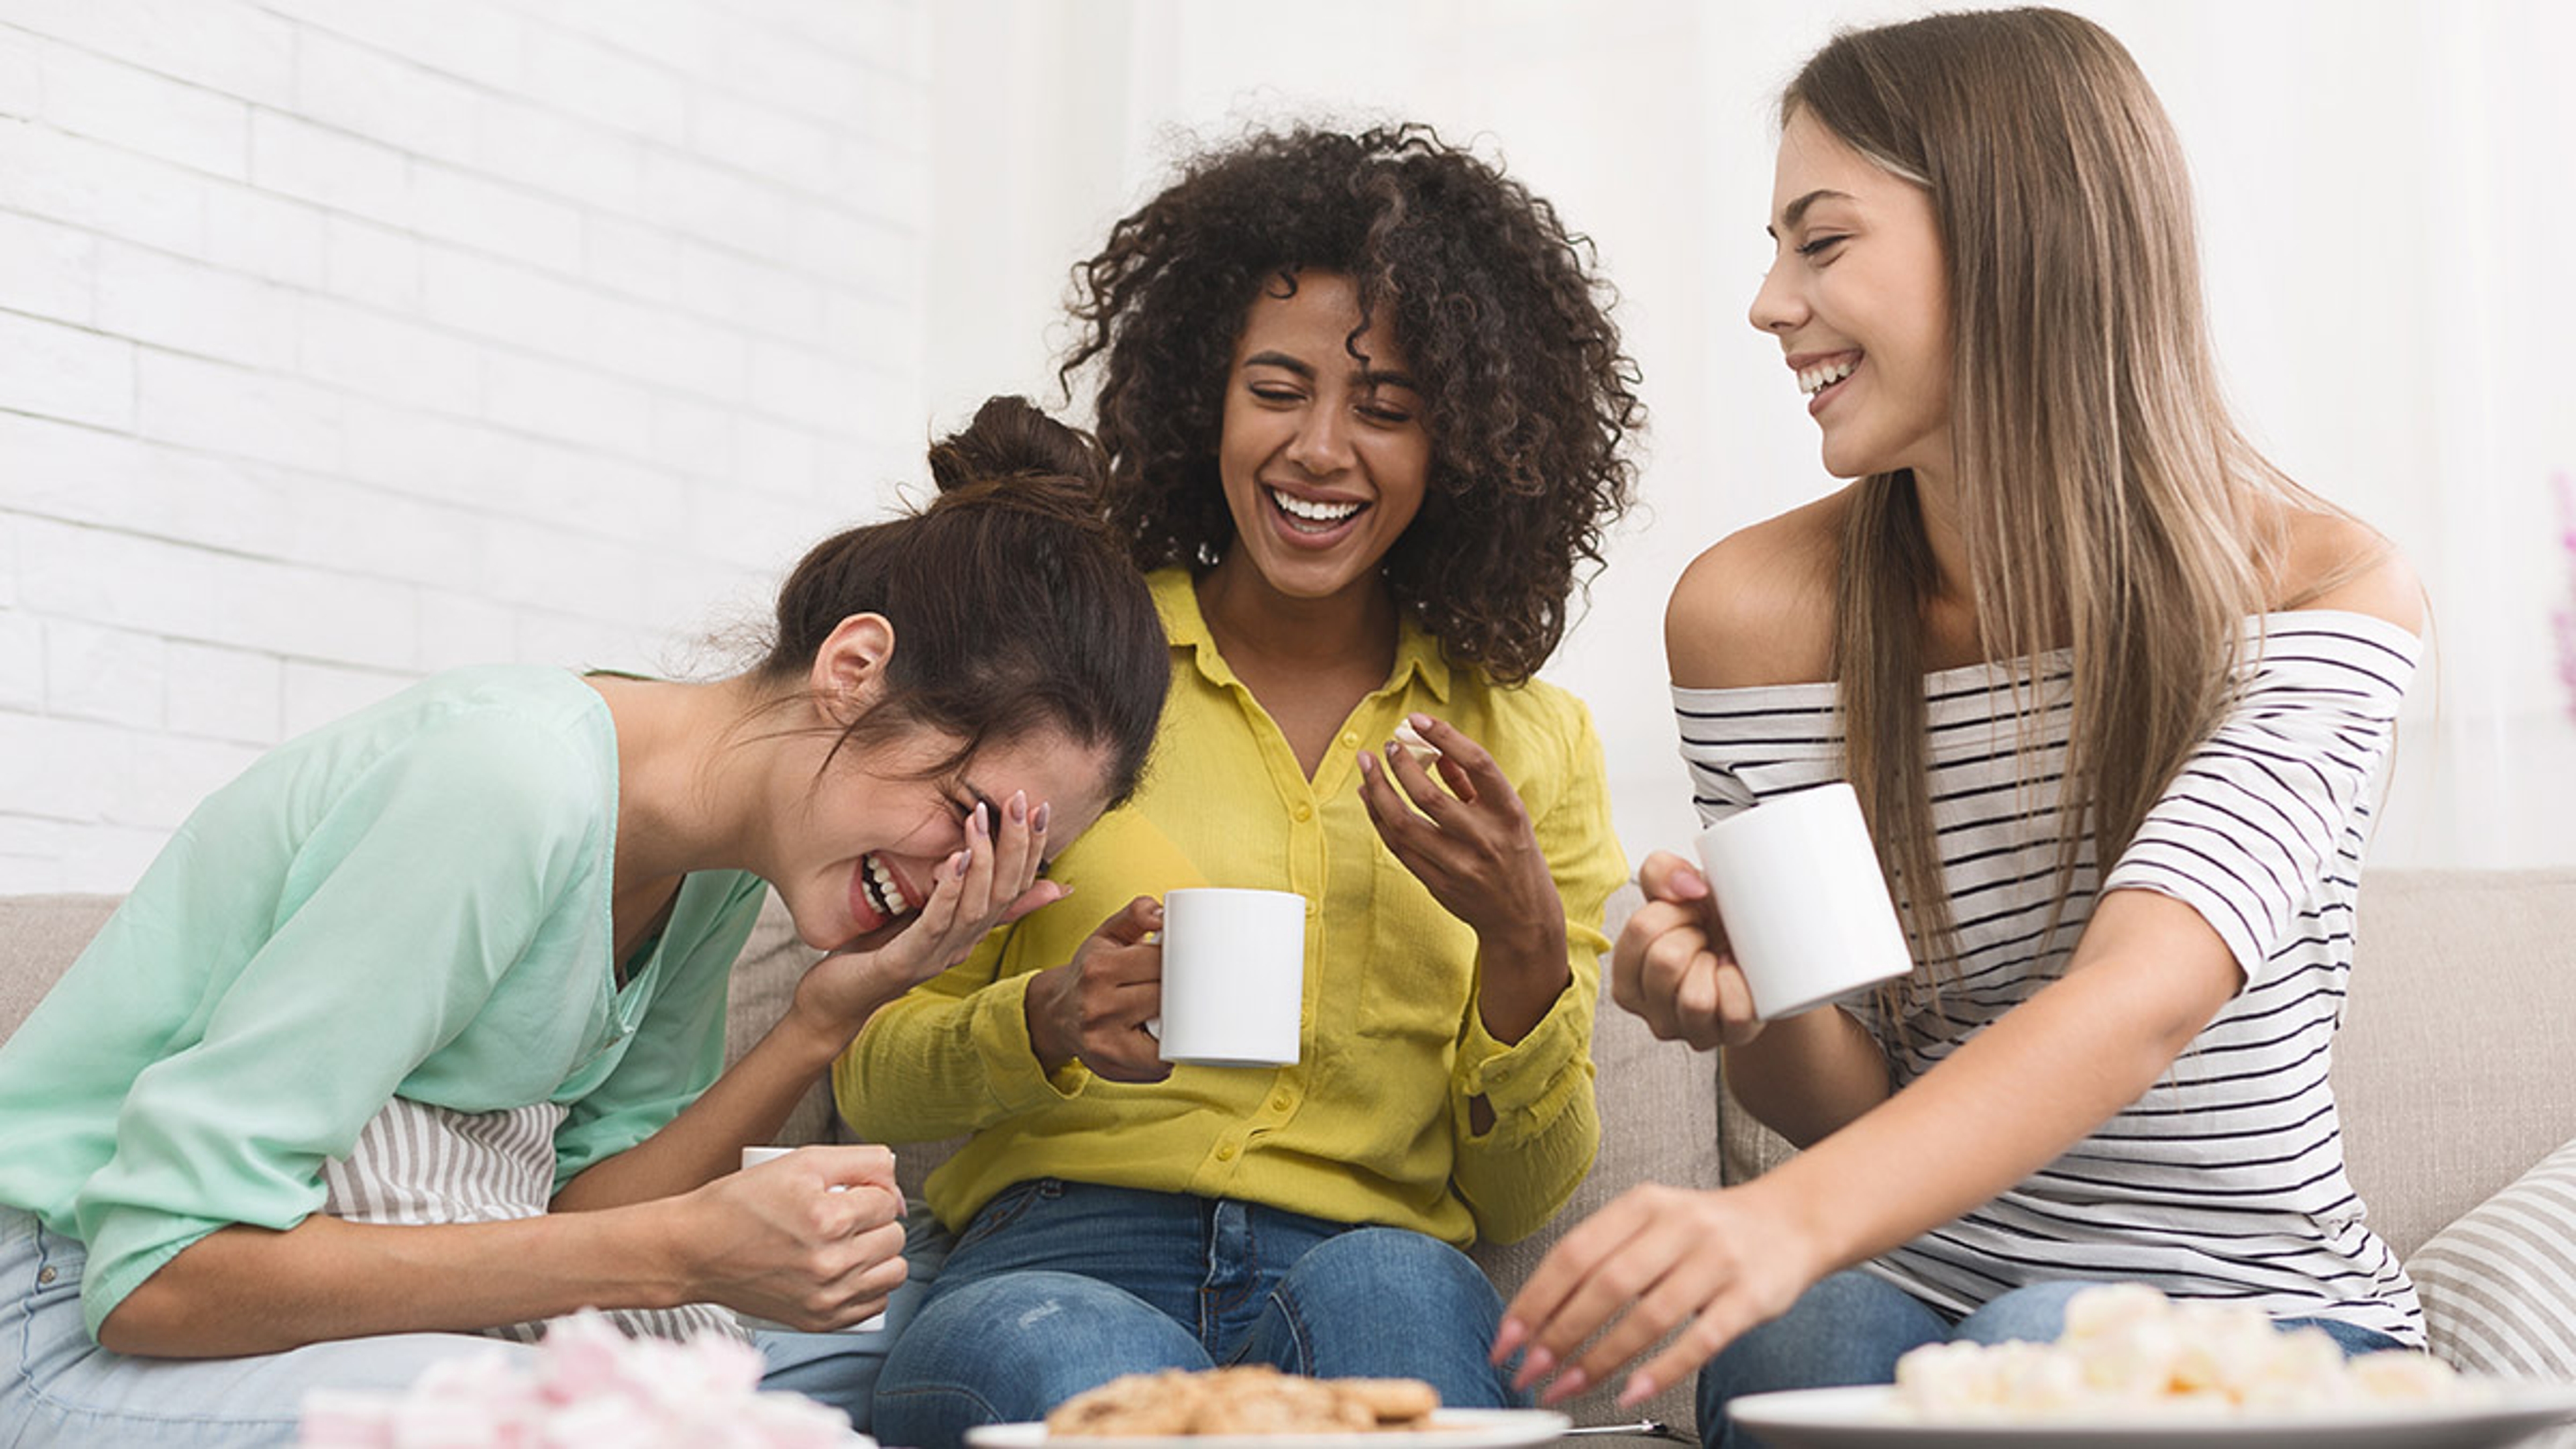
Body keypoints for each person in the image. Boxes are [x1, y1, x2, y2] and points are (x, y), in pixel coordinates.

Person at [1489, 11, 2427, 1446]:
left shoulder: (2317, 593)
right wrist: (1755, 1001)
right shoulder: (1755, 617)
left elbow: (2144, 999)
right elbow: (1842, 1099)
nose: (1768, 302)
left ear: (2014, 238)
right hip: (1918, 1280)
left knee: (2034, 1341)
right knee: (1803, 1339)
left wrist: (1774, 1228)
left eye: (1822, 241)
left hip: (2263, 1310)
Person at [0, 396, 1169, 1448]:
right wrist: (681, 1254)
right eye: (962, 813)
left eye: (1011, 861)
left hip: (276, 1305)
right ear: (855, 668)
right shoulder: (510, 781)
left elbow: (579, 1217)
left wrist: (824, 1019)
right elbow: (162, 1273)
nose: (952, 879)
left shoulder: (715, 858)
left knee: (921, 1337)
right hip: (70, 1310)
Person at [843, 125, 1645, 1446]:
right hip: (1062, 1249)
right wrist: (1040, 1018)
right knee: (1074, 1358)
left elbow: (1520, 1196)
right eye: (1278, 388)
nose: (1321, 448)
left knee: (1400, 1293)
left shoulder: (1528, 743)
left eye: (1384, 409)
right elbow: (866, 1071)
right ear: (1202, 397)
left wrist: (1522, 945)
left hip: (1372, 1251)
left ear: (1464, 446)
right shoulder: (1063, 669)